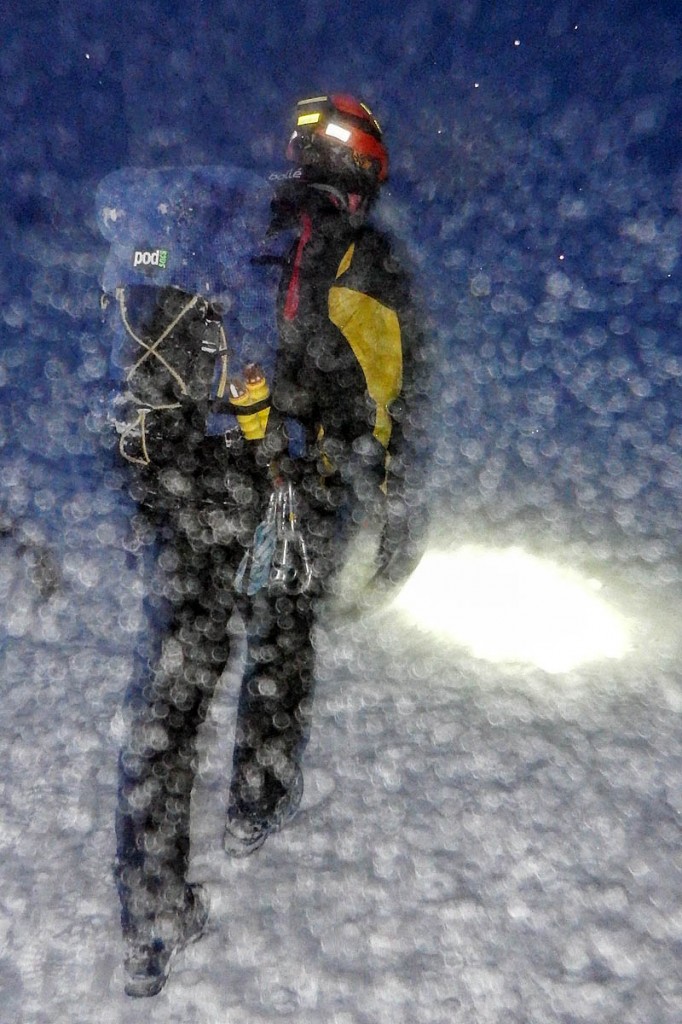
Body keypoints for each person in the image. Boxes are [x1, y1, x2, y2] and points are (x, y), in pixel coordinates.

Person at [100, 95, 430, 999]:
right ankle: (258, 799)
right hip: (288, 495)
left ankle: (152, 906)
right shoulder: (371, 263)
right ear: (368, 170)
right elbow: (392, 401)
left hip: (195, 482)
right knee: (282, 647)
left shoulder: (226, 221)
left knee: (176, 687)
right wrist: (398, 513)